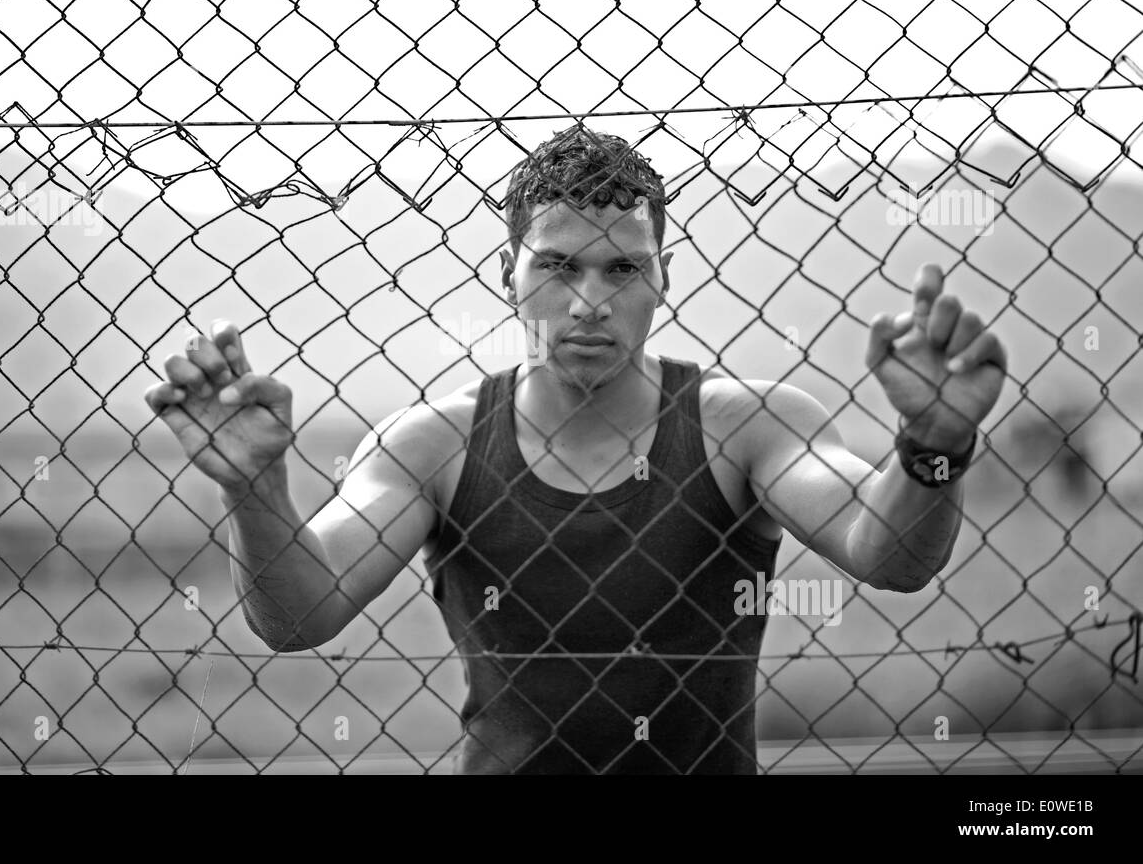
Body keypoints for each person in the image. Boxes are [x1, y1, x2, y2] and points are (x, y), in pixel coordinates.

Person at [145, 124, 1008, 773]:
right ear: (508, 274)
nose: (590, 301)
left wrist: (934, 444)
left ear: (664, 275)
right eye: (558, 266)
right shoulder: (435, 445)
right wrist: (255, 487)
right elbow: (301, 614)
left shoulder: (746, 424)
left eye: (623, 269)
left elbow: (885, 552)